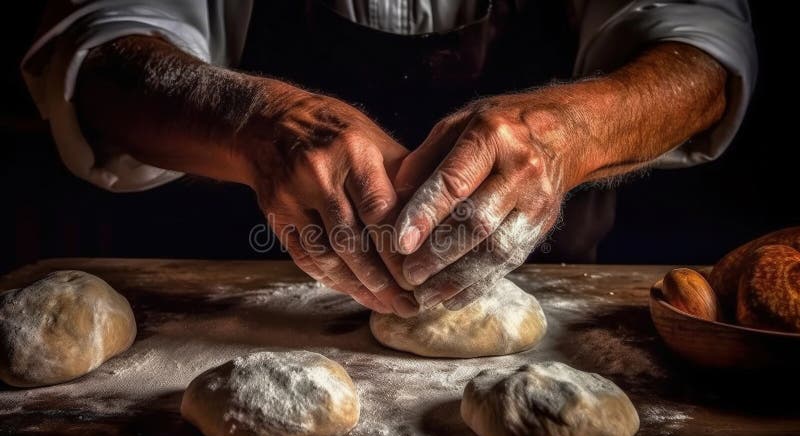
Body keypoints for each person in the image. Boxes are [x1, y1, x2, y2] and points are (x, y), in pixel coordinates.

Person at [22, 1, 756, 317]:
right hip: (241, 300)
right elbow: (96, 55)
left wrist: (563, 134)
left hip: (556, 288)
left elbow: (706, 56)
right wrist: (257, 122)